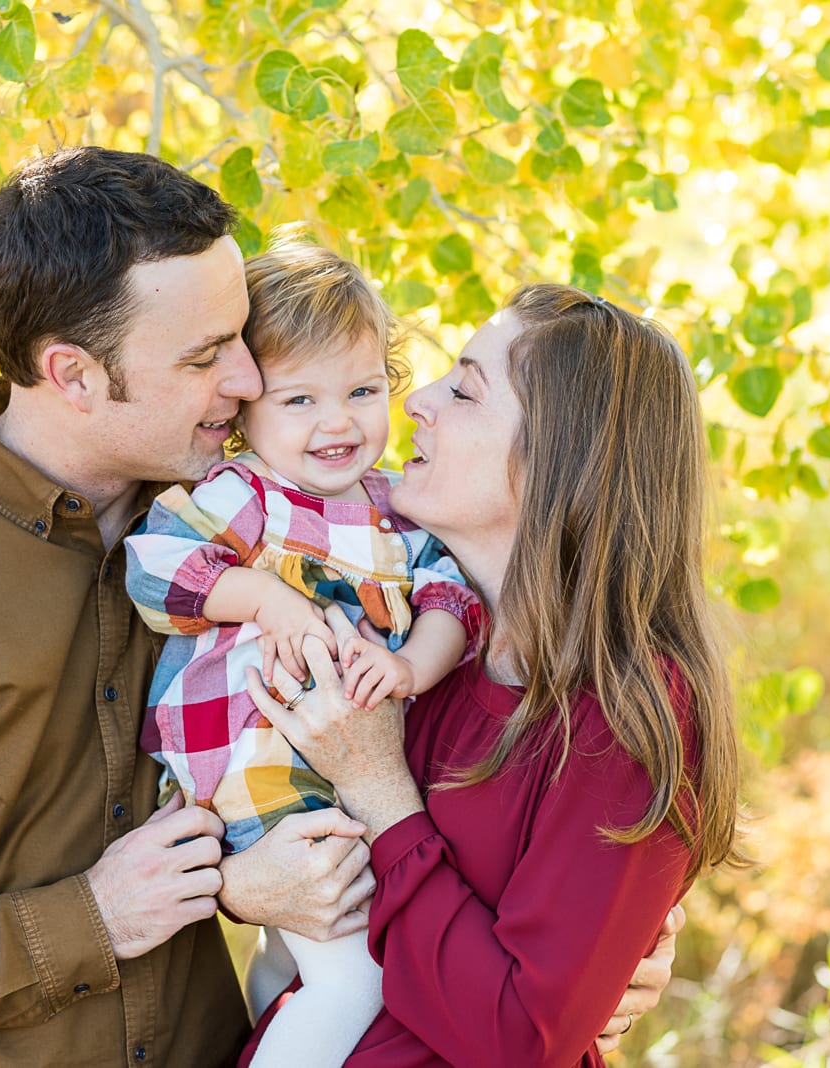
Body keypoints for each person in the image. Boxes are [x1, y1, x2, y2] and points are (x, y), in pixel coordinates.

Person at [0, 145, 678, 1067]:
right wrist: (93, 919)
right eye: (208, 354)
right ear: (75, 374)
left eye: (243, 340)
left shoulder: (270, 517)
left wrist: (590, 945)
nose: (250, 381)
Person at [239, 285, 743, 1066]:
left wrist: (377, 785)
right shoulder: (411, 638)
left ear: (558, 461)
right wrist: (235, 885)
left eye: (465, 390)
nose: (417, 401)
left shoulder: (627, 714)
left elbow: (520, 1040)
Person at [125, 240, 478, 1068]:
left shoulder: (397, 508)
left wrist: (413, 667)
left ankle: (266, 1034)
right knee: (354, 980)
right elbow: (155, 568)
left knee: (294, 958)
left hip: (339, 771)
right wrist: (263, 596)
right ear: (246, 411)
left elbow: (449, 596)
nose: (338, 422)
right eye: (300, 400)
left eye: (362, 390)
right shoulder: (246, 495)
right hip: (257, 766)